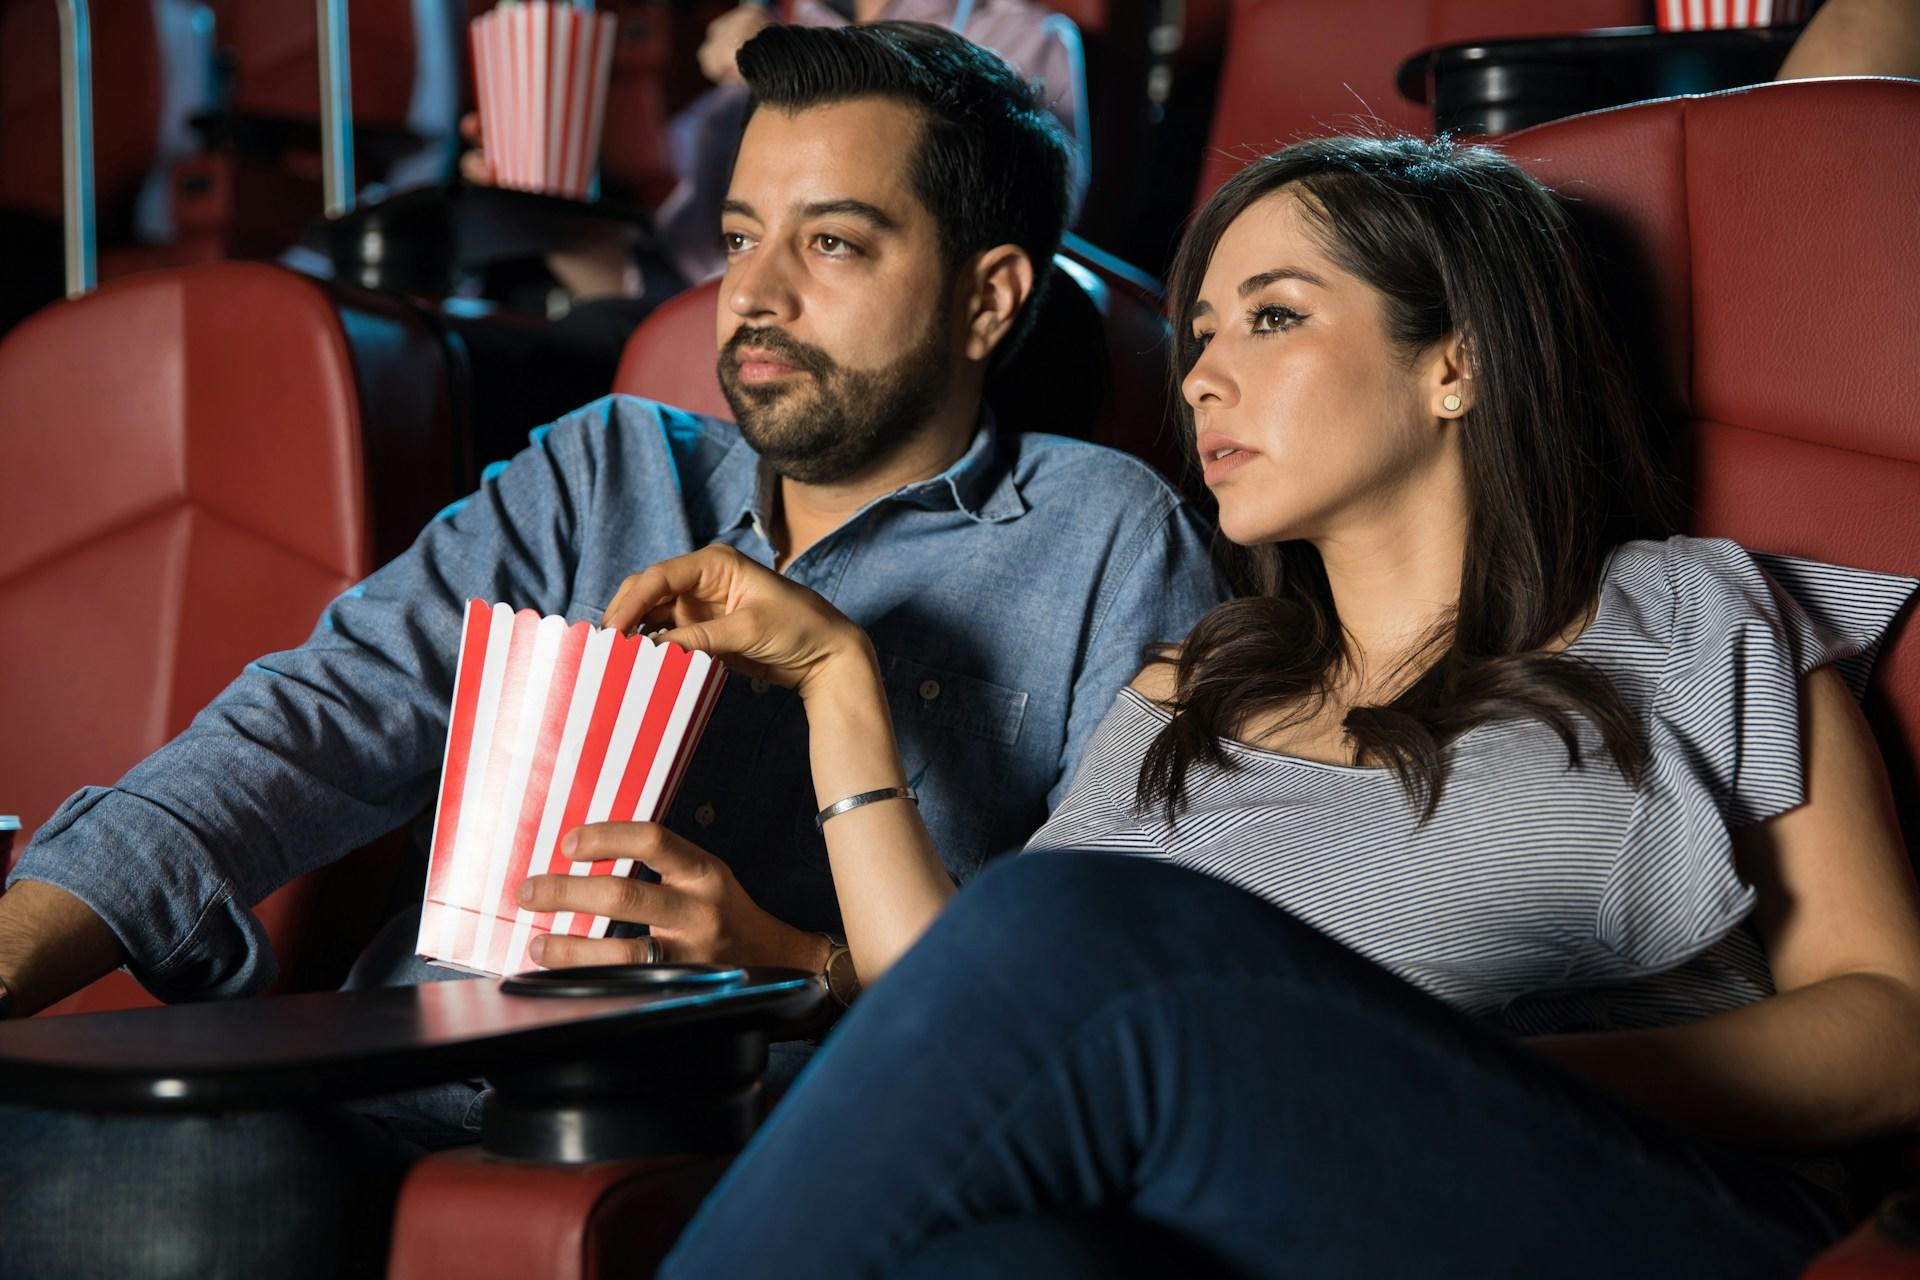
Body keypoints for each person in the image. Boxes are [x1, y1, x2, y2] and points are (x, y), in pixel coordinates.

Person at [0, 23, 1222, 1278]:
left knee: (184, 1201)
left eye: (834, 244)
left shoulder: (1112, 540)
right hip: (403, 1074)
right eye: (742, 236)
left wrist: (797, 963)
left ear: (989, 296)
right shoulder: (604, 467)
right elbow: (312, 722)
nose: (754, 293)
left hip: (765, 1126)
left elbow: (1090, 995)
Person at [578, 135, 1920, 1277]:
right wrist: (834, 679)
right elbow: (977, 1001)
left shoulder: (1685, 612)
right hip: (1268, 1215)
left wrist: (1422, 1065)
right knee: (1000, 1261)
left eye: (1274, 317)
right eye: (1202, 333)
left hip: (1629, 1208)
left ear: (1453, 363)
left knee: (1064, 929)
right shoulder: (1197, 687)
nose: (1204, 374)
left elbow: (1892, 1027)